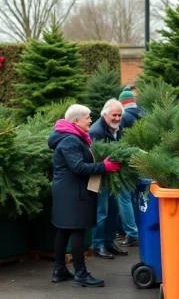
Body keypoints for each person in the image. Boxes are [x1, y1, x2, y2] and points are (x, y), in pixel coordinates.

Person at [48, 104, 121, 287]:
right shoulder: (70, 140)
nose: (90, 120)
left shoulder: (71, 137)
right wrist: (104, 167)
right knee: (77, 230)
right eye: (88, 117)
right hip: (73, 193)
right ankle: (80, 274)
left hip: (68, 192)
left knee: (64, 230)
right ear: (76, 121)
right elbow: (78, 167)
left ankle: (60, 270)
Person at [89, 98, 128, 258]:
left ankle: (109, 241)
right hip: (100, 177)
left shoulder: (118, 128)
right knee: (102, 211)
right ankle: (98, 245)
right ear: (105, 114)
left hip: (113, 176)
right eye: (114, 115)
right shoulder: (96, 131)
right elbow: (95, 156)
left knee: (114, 210)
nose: (117, 118)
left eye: (120, 115)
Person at [117, 86, 144, 247]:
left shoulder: (124, 117)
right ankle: (138, 230)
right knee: (135, 196)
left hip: (127, 160)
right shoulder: (144, 114)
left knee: (124, 196)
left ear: (122, 103)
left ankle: (131, 233)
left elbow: (120, 140)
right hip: (142, 160)